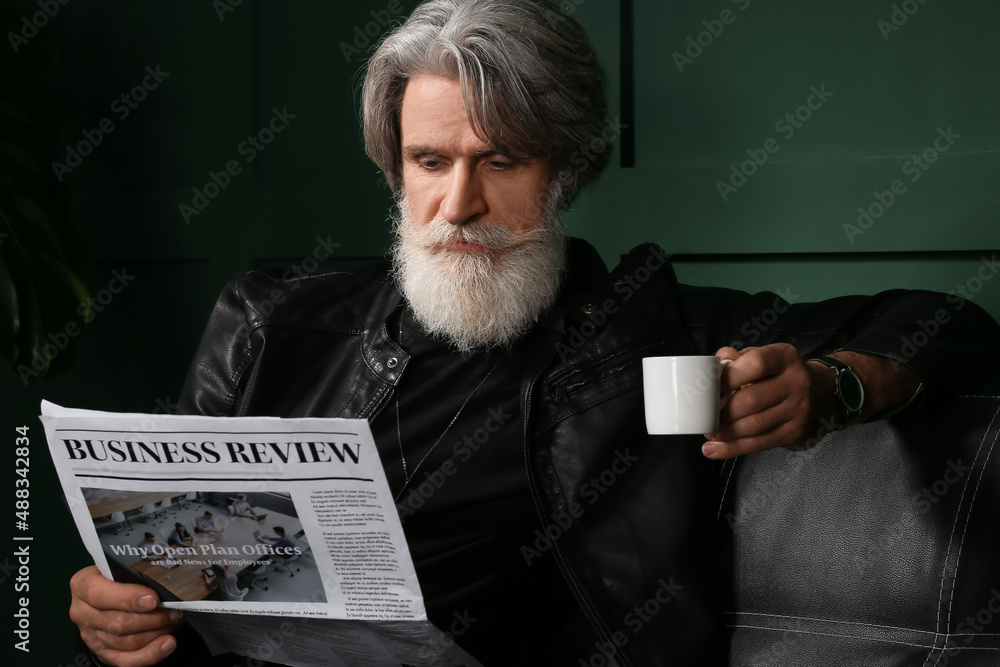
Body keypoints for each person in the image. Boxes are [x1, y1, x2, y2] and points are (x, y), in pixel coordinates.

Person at [67, 1, 1000, 665]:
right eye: (429, 161)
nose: (459, 202)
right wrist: (121, 614)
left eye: (502, 161)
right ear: (395, 168)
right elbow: (174, 582)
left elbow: (949, 322)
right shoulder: (270, 322)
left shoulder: (649, 326)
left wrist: (833, 386)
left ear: (568, 170)